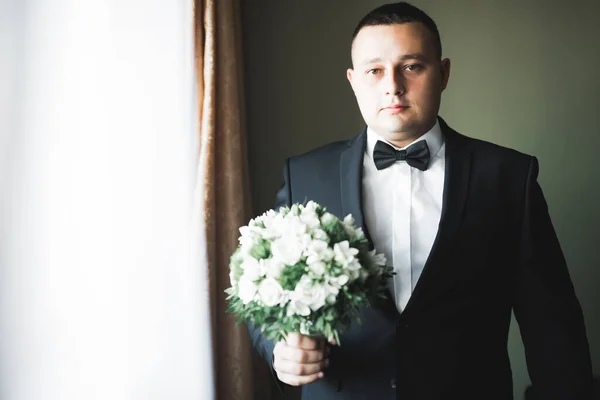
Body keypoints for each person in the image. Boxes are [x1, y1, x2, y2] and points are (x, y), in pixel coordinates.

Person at [247, 2, 593, 399]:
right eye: (374, 70)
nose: (392, 85)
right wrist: (279, 349)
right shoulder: (304, 175)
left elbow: (553, 327)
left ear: (443, 73)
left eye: (411, 66)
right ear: (353, 80)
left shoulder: (509, 177)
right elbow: (263, 297)